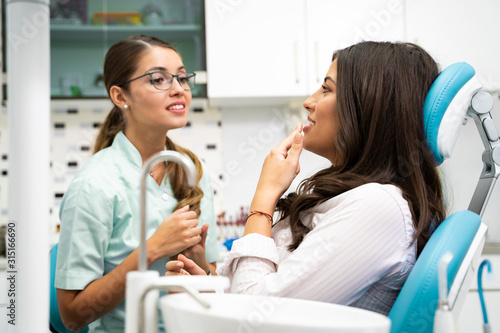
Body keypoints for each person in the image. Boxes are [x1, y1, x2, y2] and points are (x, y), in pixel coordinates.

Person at [166, 41, 446, 315]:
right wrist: (208, 287)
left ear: (369, 106)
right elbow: (273, 289)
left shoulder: (379, 207)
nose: (309, 101)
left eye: (326, 89)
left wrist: (264, 197)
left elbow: (256, 317)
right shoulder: (354, 199)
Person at [55, 35, 219, 332]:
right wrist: (152, 250)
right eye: (159, 79)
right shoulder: (94, 186)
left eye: (182, 77)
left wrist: (201, 267)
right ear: (120, 96)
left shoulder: (194, 170)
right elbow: (73, 316)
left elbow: (213, 280)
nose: (179, 89)